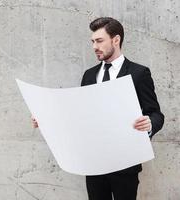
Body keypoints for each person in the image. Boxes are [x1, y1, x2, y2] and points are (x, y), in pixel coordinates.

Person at [31, 17, 164, 200]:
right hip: (94, 164)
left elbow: (156, 113)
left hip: (125, 163)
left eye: (99, 41)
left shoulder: (139, 73)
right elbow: (79, 116)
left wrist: (150, 123)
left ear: (116, 40)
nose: (94, 46)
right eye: (93, 41)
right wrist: (46, 120)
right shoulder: (89, 75)